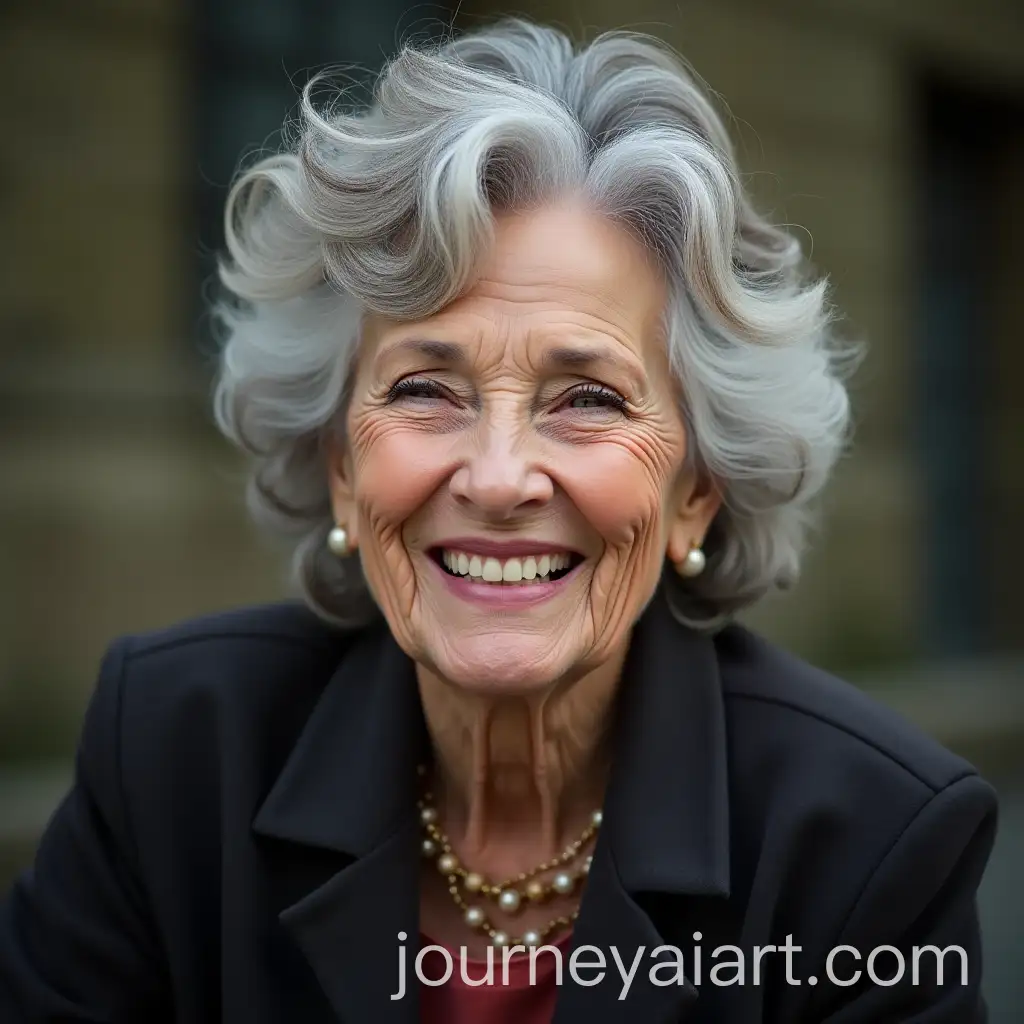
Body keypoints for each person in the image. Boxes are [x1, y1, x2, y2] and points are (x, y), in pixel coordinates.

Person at [0, 18, 997, 1024]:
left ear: (695, 488)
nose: (498, 474)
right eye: (428, 387)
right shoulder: (172, 751)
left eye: (588, 399)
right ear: (342, 468)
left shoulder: (867, 847)